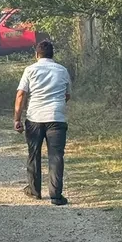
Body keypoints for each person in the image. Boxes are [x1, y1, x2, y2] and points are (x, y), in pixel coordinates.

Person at [14, 40, 72, 205]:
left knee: (34, 153)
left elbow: (21, 95)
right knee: (56, 156)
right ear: (53, 54)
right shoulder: (62, 70)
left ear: (37, 55)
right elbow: (67, 95)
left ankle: (34, 191)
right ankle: (56, 195)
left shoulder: (30, 70)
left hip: (35, 118)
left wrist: (17, 119)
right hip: (56, 119)